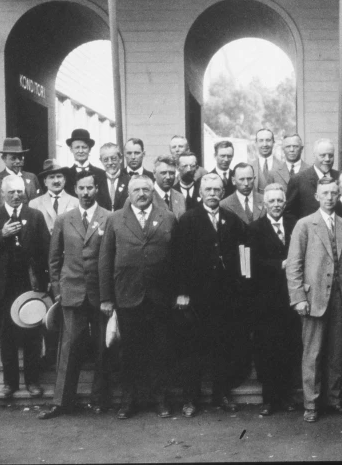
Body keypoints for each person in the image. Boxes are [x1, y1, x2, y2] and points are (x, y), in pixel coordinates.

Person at [99, 174, 177, 419]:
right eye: (137, 190)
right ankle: (128, 400)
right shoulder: (115, 219)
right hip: (127, 295)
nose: (142, 194)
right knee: (129, 352)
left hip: (160, 297)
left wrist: (178, 292)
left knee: (161, 349)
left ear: (152, 192)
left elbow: (178, 259)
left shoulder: (168, 217)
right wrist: (106, 298)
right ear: (128, 194)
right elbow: (105, 260)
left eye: (146, 189)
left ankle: (160, 399)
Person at [38, 170, 113, 419]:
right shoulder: (64, 218)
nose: (85, 193)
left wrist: (109, 295)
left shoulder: (109, 218)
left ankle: (100, 399)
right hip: (71, 291)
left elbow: (113, 258)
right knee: (69, 348)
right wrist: (58, 290)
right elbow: (54, 257)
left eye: (90, 188)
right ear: (76, 189)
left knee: (104, 347)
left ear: (97, 189)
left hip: (101, 293)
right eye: (81, 188)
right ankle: (62, 402)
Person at [173, 174, 248, 416]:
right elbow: (179, 258)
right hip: (197, 297)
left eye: (217, 189)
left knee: (223, 347)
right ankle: (190, 399)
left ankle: (221, 394)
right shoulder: (188, 219)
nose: (213, 193)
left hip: (226, 296)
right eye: (208, 189)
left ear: (223, 191)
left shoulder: (231, 219)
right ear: (200, 192)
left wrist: (244, 279)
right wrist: (182, 292)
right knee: (192, 349)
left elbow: (244, 250)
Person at [286, 176, 342, 423]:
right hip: (313, 297)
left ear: (339, 196)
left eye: (334, 193)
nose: (329, 198)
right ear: (317, 197)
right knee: (313, 353)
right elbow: (293, 265)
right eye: (325, 193)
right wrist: (298, 298)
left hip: (340, 298)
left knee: (336, 353)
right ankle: (311, 404)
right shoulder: (305, 225)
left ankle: (334, 400)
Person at [0, 175, 50, 399]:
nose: (16, 196)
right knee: (6, 336)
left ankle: (33, 381)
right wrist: (1, 234)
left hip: (29, 283)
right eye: (11, 192)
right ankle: (10, 383)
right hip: (2, 284)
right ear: (3, 193)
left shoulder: (34, 215)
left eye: (20, 192)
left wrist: (46, 280)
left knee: (32, 335)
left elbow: (46, 249)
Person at [246, 183, 300, 416]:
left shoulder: (295, 224)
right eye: (272, 201)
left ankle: (287, 396)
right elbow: (247, 265)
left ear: (284, 203)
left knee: (289, 346)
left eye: (280, 201)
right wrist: (280, 265)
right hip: (265, 299)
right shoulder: (253, 228)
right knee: (266, 348)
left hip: (291, 297)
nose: (276, 205)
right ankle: (269, 398)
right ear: (264, 204)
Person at [0, 137, 40, 216]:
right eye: (13, 158)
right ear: (4, 158)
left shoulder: (32, 178)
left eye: (20, 157)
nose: (18, 161)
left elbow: (40, 205)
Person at [286, 138, 339, 219]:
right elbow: (289, 213)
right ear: (314, 155)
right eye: (323, 155)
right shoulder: (298, 180)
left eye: (331, 155)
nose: (327, 159)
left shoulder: (339, 178)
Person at [29, 159, 78, 234]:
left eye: (59, 176)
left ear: (64, 180)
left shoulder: (75, 202)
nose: (56, 181)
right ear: (45, 182)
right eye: (51, 177)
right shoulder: (35, 204)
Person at [63, 129, 106, 196]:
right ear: (71, 149)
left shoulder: (101, 174)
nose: (80, 151)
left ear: (90, 149)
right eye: (77, 147)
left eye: (84, 147)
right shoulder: (65, 175)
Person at [95, 142, 130, 211]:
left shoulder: (129, 181)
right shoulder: (97, 182)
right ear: (101, 161)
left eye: (113, 159)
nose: (110, 163)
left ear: (120, 159)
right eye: (106, 160)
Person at [151, 155, 186, 219]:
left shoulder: (180, 197)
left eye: (171, 173)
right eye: (163, 173)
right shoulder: (147, 196)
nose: (168, 177)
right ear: (154, 174)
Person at [248, 128, 279, 195]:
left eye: (268, 140)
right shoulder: (249, 167)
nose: (265, 144)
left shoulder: (283, 166)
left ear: (273, 142)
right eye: (261, 141)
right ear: (256, 143)